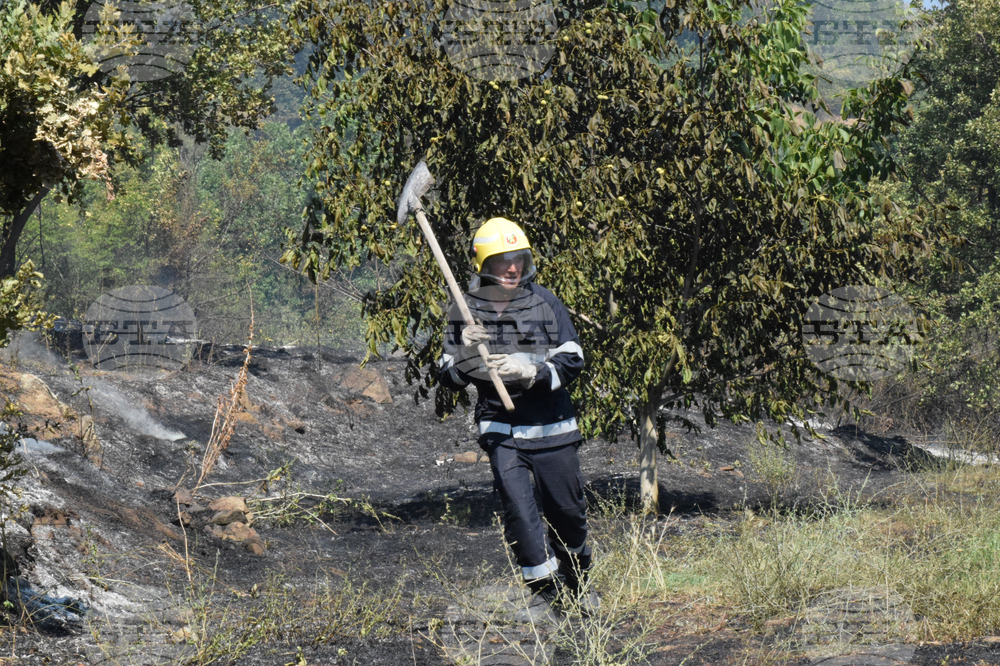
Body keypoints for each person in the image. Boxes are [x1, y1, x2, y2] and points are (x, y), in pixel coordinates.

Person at [438, 217, 597, 622]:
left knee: (567, 514)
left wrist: (531, 371)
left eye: (518, 259)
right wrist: (464, 354)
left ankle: (578, 583)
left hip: (553, 427)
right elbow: (447, 377)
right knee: (520, 514)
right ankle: (549, 597)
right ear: (485, 265)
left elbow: (574, 358)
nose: (512, 267)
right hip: (501, 428)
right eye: (502, 260)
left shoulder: (545, 302)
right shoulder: (465, 309)